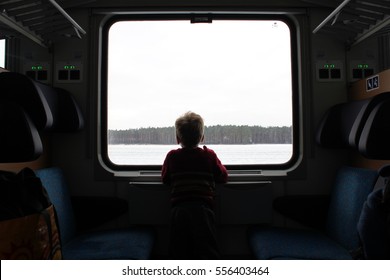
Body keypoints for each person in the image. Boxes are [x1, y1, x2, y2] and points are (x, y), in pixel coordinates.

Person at [162, 111, 228, 259]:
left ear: (177, 138)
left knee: (178, 249)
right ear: (202, 137)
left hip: (179, 210)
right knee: (207, 249)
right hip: (203, 209)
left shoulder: (172, 156)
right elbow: (223, 176)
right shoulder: (209, 155)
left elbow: (165, 179)